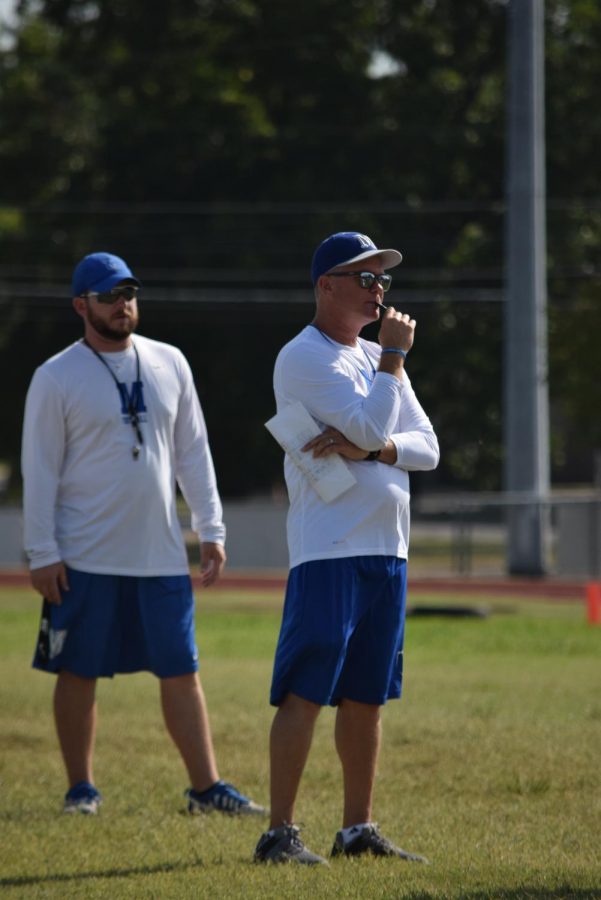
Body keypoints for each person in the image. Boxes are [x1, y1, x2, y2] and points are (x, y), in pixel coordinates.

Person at [21, 251, 266, 818]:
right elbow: (40, 470)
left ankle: (206, 788)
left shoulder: (169, 361)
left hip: (158, 555)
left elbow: (193, 452)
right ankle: (81, 788)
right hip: (82, 555)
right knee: (78, 670)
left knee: (182, 670)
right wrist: (42, 551)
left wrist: (211, 526)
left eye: (129, 293)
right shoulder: (55, 376)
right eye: (109, 296)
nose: (123, 304)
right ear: (82, 306)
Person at [254, 232, 439, 865]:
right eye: (364, 278)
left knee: (367, 694)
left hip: (387, 550)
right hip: (330, 548)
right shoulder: (305, 357)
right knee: (306, 688)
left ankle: (356, 829)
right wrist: (390, 363)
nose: (379, 289)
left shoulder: (375, 357)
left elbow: (426, 446)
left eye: (382, 279)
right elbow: (367, 422)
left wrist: (377, 449)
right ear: (325, 285)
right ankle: (279, 833)